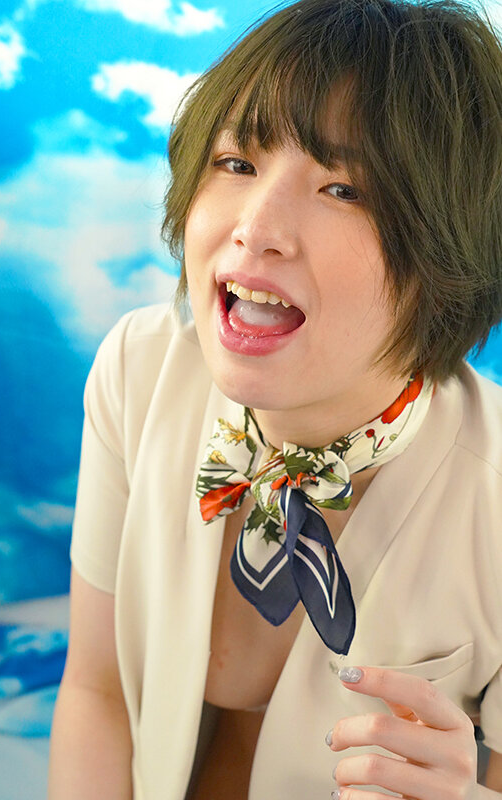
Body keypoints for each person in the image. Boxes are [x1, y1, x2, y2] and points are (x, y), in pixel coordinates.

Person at [48, 0, 502, 797]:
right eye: (235, 163)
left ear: (449, 254)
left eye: (344, 189)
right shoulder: (138, 370)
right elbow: (97, 690)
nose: (256, 228)